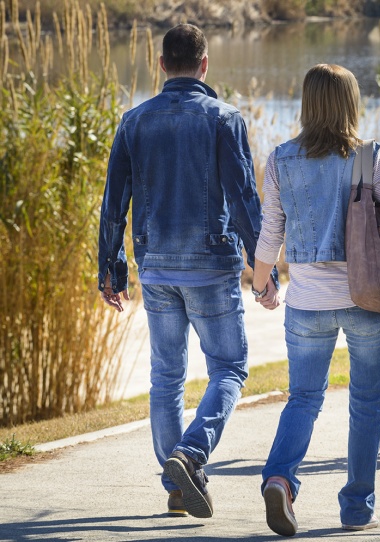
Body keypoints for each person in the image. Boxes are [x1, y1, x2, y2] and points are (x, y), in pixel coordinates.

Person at [97, 24, 276, 519]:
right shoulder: (224, 118)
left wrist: (111, 270)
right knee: (230, 368)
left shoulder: (133, 121)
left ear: (160, 65)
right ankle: (191, 454)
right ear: (204, 65)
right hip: (211, 268)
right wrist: (264, 270)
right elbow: (244, 199)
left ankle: (177, 489)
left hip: (155, 268)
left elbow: (114, 203)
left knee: (166, 377)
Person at [250, 63, 380, 537]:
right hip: (368, 299)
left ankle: (280, 478)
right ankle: (357, 508)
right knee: (365, 403)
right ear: (350, 103)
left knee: (303, 398)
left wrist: (262, 286)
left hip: (307, 302)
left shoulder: (281, 158)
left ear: (307, 102)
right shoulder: (368, 157)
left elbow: (269, 238)